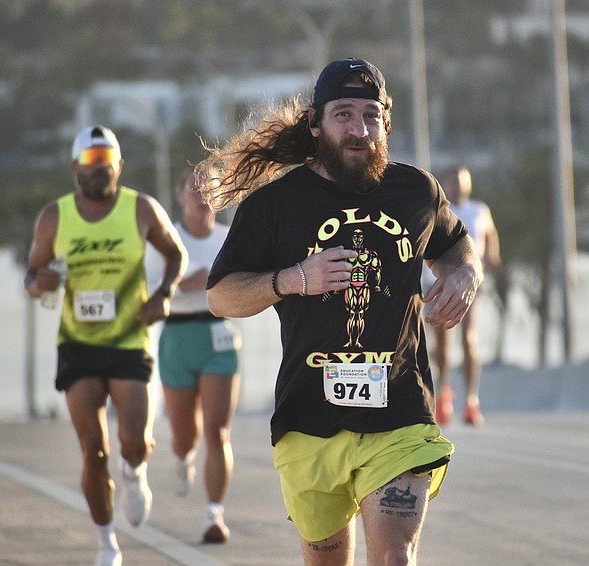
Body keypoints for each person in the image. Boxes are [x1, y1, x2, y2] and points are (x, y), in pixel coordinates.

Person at [199, 58, 482, 565]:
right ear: (316, 124)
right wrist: (292, 280)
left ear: (387, 123)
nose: (359, 129)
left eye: (371, 115)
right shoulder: (275, 205)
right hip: (309, 418)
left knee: (395, 556)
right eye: (344, 114)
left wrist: (464, 276)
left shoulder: (415, 191)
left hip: (398, 412)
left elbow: (458, 247)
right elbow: (221, 295)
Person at [24, 125, 187, 566]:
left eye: (107, 160)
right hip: (77, 343)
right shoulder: (54, 217)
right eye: (91, 162)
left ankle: (134, 472)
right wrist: (41, 282)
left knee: (134, 440)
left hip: (129, 338)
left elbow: (176, 254)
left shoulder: (141, 209)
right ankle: (106, 543)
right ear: (75, 167)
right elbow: (31, 277)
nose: (100, 169)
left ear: (119, 164)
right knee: (92, 450)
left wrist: (164, 294)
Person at [151, 169, 241, 543]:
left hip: (219, 336)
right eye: (193, 188)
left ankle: (214, 516)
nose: (202, 195)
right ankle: (183, 455)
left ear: (220, 197)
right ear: (179, 195)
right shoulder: (165, 239)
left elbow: (243, 285)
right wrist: (190, 282)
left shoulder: (231, 238)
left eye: (210, 189)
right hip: (176, 335)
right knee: (185, 435)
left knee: (217, 430)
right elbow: (150, 294)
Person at [432, 166, 502, 427]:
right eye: (454, 182)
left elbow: (490, 234)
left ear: (469, 185)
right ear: (447, 185)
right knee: (441, 345)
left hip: (470, 285)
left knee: (469, 339)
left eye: (463, 183)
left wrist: (493, 255)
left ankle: (472, 400)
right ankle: (443, 392)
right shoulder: (441, 210)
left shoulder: (479, 210)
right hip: (438, 283)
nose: (458, 187)